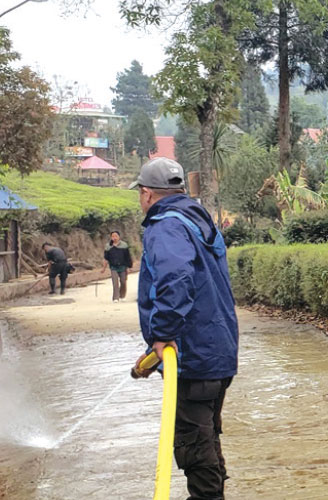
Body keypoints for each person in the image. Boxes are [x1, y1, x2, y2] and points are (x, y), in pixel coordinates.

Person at [129, 157, 239, 500]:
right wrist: (155, 348)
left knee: (194, 444)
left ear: (147, 194)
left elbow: (176, 279)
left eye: (140, 194)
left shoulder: (166, 226)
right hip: (218, 350)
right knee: (206, 437)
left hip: (192, 357)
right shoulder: (198, 220)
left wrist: (163, 334)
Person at [102, 230, 133, 302]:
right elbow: (106, 258)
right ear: (111, 237)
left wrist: (129, 266)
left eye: (116, 236)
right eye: (113, 236)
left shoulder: (124, 245)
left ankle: (122, 296)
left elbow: (128, 257)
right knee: (115, 282)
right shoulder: (108, 246)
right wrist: (103, 268)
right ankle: (115, 298)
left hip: (123, 267)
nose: (114, 238)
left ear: (119, 237)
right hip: (113, 267)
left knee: (123, 282)